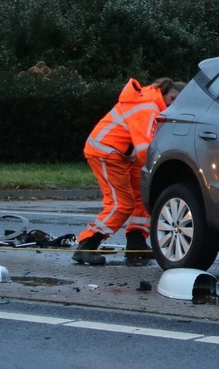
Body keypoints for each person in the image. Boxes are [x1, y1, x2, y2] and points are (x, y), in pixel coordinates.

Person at [73, 77, 181, 265]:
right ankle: (87, 243)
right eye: (172, 99)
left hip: (121, 154)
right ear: (166, 93)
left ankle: (136, 242)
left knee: (143, 195)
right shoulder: (148, 107)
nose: (172, 105)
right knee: (121, 204)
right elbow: (143, 149)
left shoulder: (150, 102)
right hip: (107, 153)